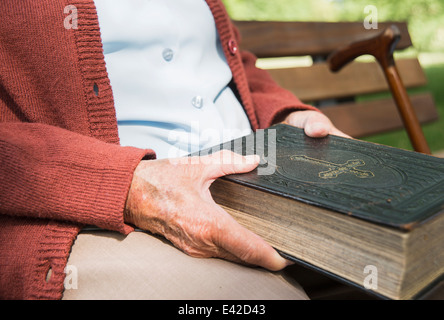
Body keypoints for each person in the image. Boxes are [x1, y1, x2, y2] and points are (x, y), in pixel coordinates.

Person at [0, 0, 349, 300]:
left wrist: (287, 113)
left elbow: (233, 63)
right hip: (98, 217)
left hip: (251, 173)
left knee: (381, 250)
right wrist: (134, 187)